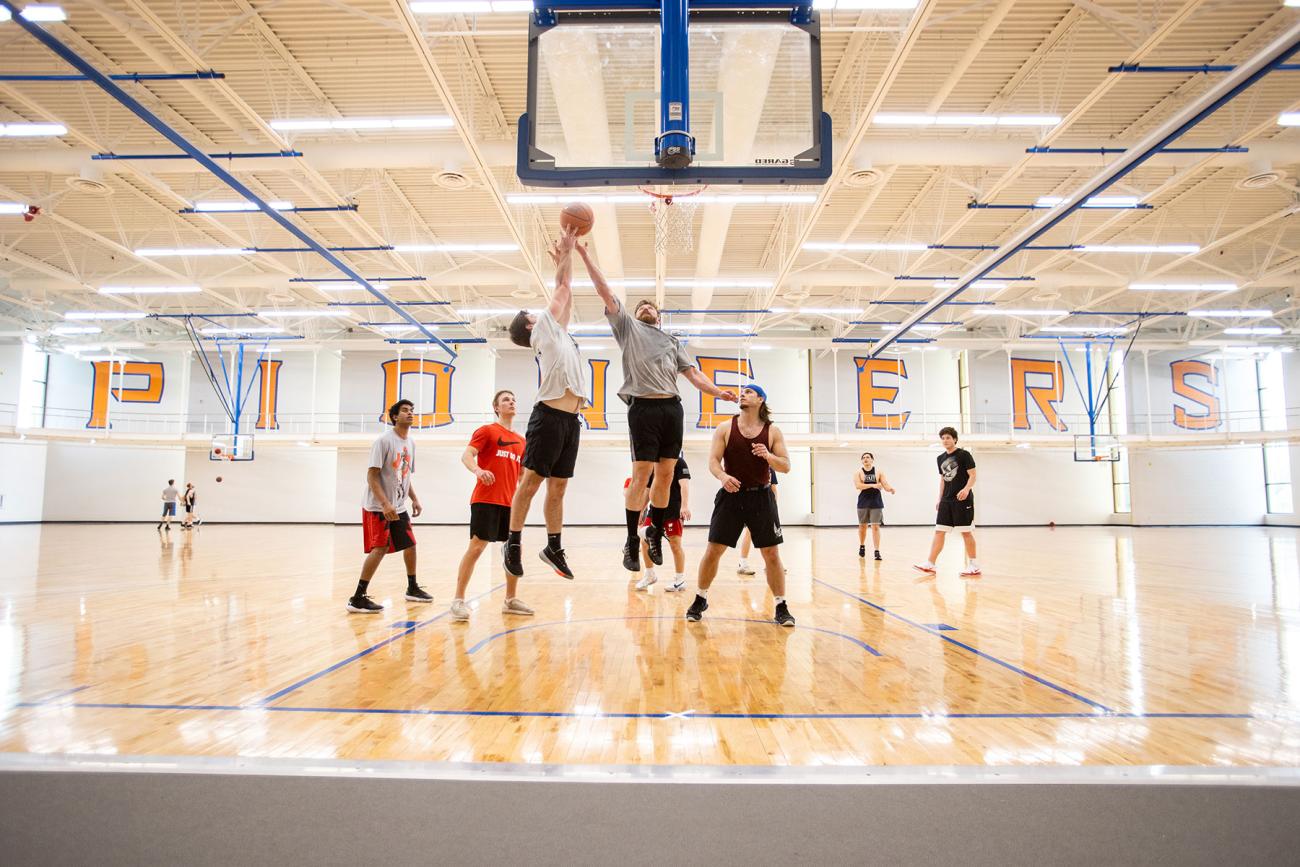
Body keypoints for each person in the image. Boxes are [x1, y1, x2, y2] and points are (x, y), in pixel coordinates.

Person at [575, 241, 736, 573]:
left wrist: (720, 393)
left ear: (659, 317)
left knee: (666, 475)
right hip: (643, 410)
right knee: (642, 475)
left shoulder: (673, 342)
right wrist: (584, 254)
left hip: (672, 410)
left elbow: (694, 376)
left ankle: (654, 533)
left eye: (652, 306)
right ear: (634, 316)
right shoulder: (628, 329)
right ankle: (631, 541)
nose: (646, 307)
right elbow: (604, 291)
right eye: (641, 305)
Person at [504, 228, 586, 581]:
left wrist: (565, 261)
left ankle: (554, 546)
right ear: (530, 325)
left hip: (571, 421)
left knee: (559, 487)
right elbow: (563, 290)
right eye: (534, 313)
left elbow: (567, 293)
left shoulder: (559, 333)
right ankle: (514, 541)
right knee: (532, 481)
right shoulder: (541, 332)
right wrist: (566, 254)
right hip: (549, 416)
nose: (542, 311)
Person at [686, 385, 795, 628]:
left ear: (760, 399)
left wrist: (768, 456)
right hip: (730, 497)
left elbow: (786, 466)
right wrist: (723, 477)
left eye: (749, 391)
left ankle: (781, 605)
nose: (742, 394)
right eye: (742, 392)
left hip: (761, 497)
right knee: (713, 550)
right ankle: (700, 598)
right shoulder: (725, 428)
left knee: (771, 554)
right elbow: (713, 461)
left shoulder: (772, 431)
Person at [450, 390, 531, 621]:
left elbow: (522, 474)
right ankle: (458, 600)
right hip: (485, 500)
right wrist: (478, 470)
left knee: (513, 550)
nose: (512, 402)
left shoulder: (522, 441)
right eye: (506, 399)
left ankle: (510, 600)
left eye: (513, 399)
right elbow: (467, 455)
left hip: (510, 504)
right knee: (476, 548)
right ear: (496, 407)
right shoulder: (487, 431)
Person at [347, 399, 433, 613]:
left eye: (412, 410)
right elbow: (371, 475)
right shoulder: (384, 441)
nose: (410, 413)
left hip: (399, 506)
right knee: (381, 548)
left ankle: (412, 587)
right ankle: (357, 597)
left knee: (410, 545)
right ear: (395, 416)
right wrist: (385, 503)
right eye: (405, 410)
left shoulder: (410, 443)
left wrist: (414, 498)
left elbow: (404, 476)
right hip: (378, 506)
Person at [914, 426, 980, 576]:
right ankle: (930, 563)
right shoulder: (940, 458)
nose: (945, 440)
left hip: (962, 500)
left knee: (966, 532)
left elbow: (973, 475)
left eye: (948, 437)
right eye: (943, 438)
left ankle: (974, 565)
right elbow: (943, 479)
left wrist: (966, 489)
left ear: (955, 439)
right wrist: (939, 498)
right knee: (939, 531)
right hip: (946, 500)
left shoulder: (964, 455)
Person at [633, 454, 691, 592]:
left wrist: (684, 505)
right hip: (655, 509)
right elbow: (648, 490)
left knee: (675, 544)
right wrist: (641, 510)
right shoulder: (653, 464)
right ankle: (650, 575)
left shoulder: (679, 462)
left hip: (673, 510)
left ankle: (680, 579)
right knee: (644, 539)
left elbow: (684, 485)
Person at [736, 469, 778, 576]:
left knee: (771, 536)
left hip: (766, 505)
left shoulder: (770, 468)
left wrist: (773, 506)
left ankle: (771, 564)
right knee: (749, 532)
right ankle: (743, 563)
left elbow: (773, 488)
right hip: (750, 503)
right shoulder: (748, 466)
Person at [855, 452, 895, 560]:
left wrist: (889, 489)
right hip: (863, 502)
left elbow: (884, 484)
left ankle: (877, 551)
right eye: (863, 458)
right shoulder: (858, 472)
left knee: (875, 527)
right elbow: (858, 485)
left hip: (876, 502)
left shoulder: (878, 472)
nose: (865, 459)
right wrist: (873, 485)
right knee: (862, 526)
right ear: (862, 461)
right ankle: (862, 546)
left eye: (868, 457)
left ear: (872, 460)